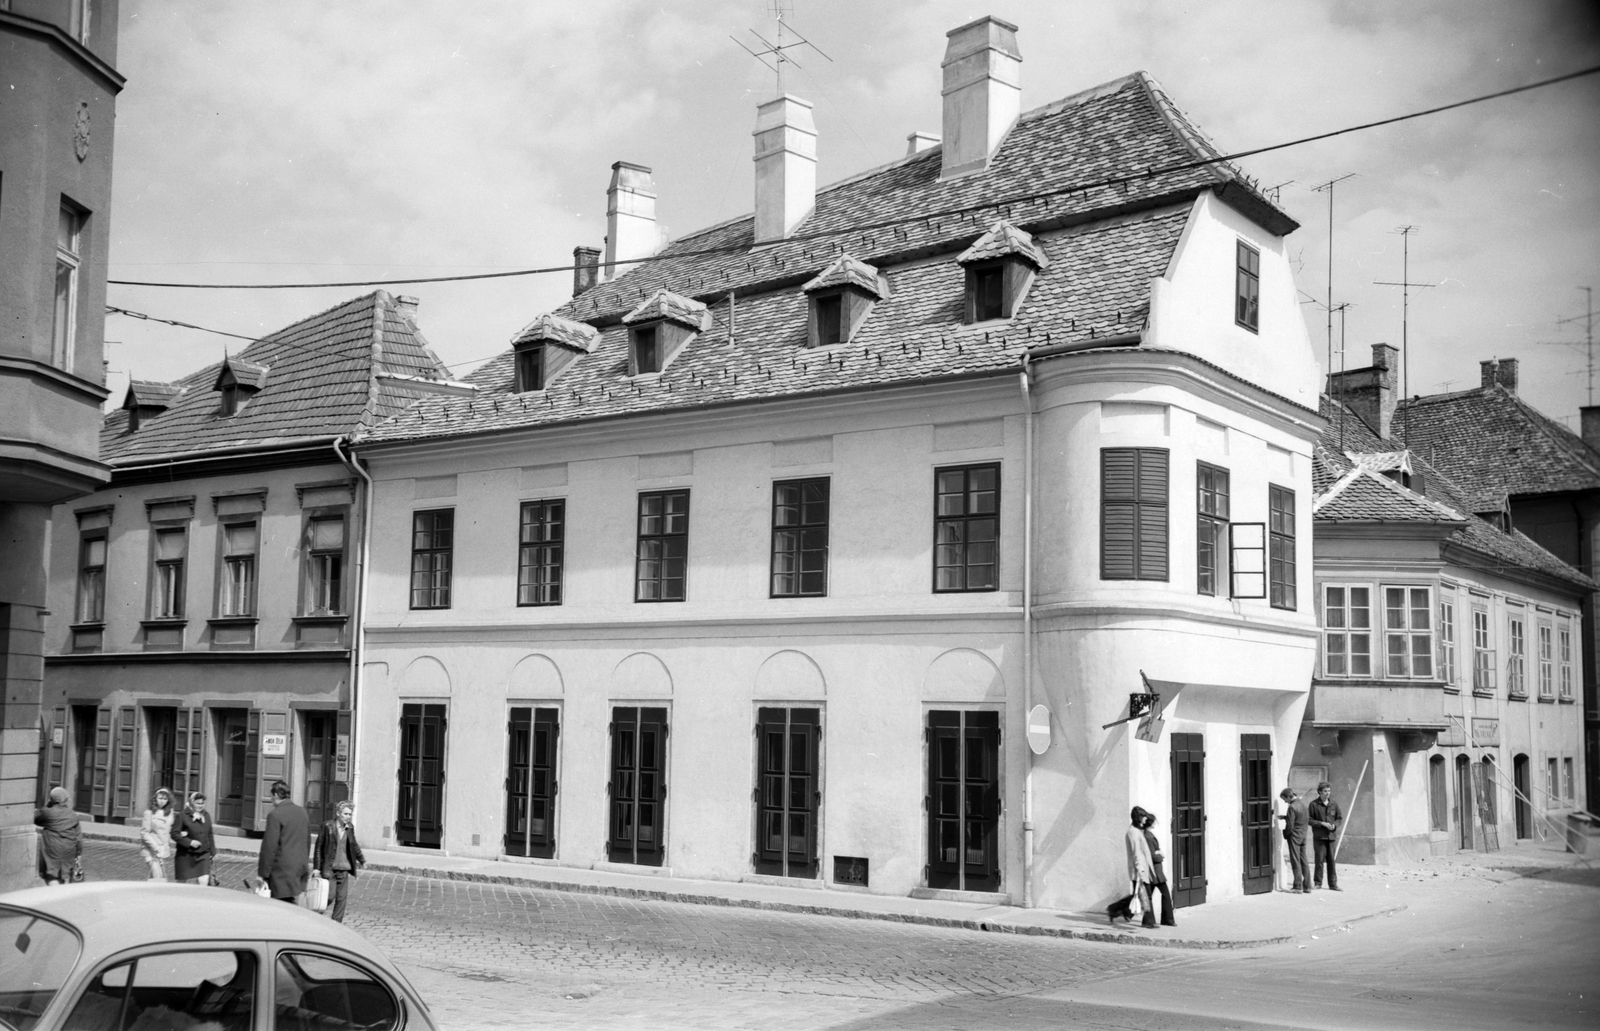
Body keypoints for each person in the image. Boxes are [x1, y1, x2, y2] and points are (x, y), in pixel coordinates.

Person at [313, 800, 366, 922]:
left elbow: (353, 844)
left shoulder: (350, 827)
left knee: (342, 898)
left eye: (350, 814)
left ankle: (336, 924)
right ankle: (313, 915)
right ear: (338, 813)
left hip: (344, 868)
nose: (348, 817)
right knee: (330, 896)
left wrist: (361, 859)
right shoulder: (327, 826)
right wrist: (316, 868)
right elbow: (319, 847)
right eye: (345, 814)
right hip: (329, 867)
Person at [257, 780, 310, 903]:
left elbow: (269, 847)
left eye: (271, 795)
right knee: (291, 900)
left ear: (275, 795)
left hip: (281, 870)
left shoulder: (275, 815)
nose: (271, 799)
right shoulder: (302, 812)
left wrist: (263, 873)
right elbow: (307, 841)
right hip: (299, 867)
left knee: (281, 905)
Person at [34, 787, 82, 886]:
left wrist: (48, 805)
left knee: (51, 876)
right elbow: (79, 838)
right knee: (63, 876)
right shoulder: (73, 815)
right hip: (68, 848)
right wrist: (78, 854)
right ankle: (61, 896)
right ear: (65, 799)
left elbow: (36, 819)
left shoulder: (48, 812)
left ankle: (55, 896)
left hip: (52, 848)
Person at [1121, 805, 1157, 928]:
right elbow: (1136, 853)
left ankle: (1127, 912)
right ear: (1138, 818)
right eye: (1143, 817)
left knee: (1144, 895)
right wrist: (1140, 870)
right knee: (1146, 895)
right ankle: (1148, 922)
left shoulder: (1136, 831)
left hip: (1143, 869)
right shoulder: (1133, 833)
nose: (1145, 819)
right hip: (1139, 870)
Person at [172, 791, 216, 885]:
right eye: (198, 803)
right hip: (185, 855)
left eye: (202, 803)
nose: (200, 806)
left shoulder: (206, 815)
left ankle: (199, 898)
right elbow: (174, 833)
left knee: (203, 880)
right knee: (181, 882)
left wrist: (212, 852)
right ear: (192, 802)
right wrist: (190, 842)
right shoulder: (182, 815)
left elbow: (210, 834)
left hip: (203, 854)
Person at [1140, 811, 1176, 926]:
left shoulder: (1148, 834)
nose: (1156, 823)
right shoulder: (1147, 836)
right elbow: (1151, 856)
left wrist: (1158, 852)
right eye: (1154, 821)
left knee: (1150, 895)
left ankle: (1150, 921)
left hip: (1155, 871)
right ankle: (1165, 920)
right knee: (1161, 894)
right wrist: (1161, 855)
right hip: (1154, 871)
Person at [1309, 780, 1343, 891]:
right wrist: (1322, 823)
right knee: (1319, 860)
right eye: (1325, 791)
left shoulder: (1334, 804)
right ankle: (1318, 883)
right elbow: (1309, 820)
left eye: (1329, 791)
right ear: (1319, 792)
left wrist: (1334, 825)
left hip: (1331, 837)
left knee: (1331, 861)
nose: (1327, 793)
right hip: (1319, 837)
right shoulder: (1314, 804)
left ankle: (1333, 885)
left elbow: (1339, 819)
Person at [139, 787, 176, 881]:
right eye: (160, 798)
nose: (162, 801)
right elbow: (144, 833)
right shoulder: (149, 813)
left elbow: (169, 829)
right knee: (157, 876)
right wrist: (155, 847)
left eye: (165, 799)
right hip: (150, 849)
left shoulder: (170, 813)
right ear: (155, 798)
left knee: (159, 877)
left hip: (162, 849)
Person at [1280, 787, 1311, 893]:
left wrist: (1285, 834)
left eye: (1285, 799)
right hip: (1303, 835)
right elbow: (1301, 818)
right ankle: (1307, 886)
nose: (1285, 802)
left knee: (1295, 860)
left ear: (1289, 796)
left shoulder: (1292, 807)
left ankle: (1297, 886)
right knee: (1304, 860)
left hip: (1294, 836)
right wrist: (1285, 817)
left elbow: (1290, 826)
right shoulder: (1303, 805)